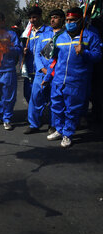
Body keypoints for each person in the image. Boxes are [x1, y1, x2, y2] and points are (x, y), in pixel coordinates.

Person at [44, 7, 102, 147]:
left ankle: (67, 134)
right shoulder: (60, 37)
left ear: (80, 20)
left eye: (72, 20)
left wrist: (84, 52)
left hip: (76, 82)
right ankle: (59, 129)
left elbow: (98, 56)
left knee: (72, 110)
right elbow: (54, 60)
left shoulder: (90, 36)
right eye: (68, 20)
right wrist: (47, 78)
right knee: (56, 107)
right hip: (58, 80)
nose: (69, 22)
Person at [24, 9, 65, 134]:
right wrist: (42, 68)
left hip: (56, 74)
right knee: (35, 98)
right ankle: (34, 124)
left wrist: (52, 70)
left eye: (56, 17)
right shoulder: (44, 35)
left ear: (62, 20)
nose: (52, 20)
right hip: (41, 72)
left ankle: (53, 125)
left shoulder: (64, 35)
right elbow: (38, 54)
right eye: (51, 17)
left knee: (54, 100)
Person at [0, 12, 22, 130]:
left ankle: (7, 119)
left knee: (8, 96)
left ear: (3, 21)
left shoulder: (11, 34)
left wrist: (8, 48)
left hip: (8, 70)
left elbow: (18, 49)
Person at [22, 6, 52, 104]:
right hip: (29, 69)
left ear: (40, 17)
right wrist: (23, 51)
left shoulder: (48, 31)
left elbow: (49, 51)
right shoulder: (27, 33)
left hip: (43, 70)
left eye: (34, 17)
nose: (32, 20)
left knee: (44, 94)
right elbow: (20, 48)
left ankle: (42, 115)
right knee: (27, 93)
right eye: (30, 18)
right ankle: (33, 113)